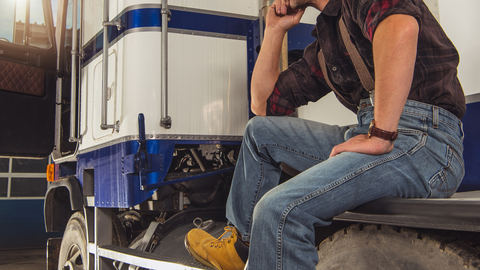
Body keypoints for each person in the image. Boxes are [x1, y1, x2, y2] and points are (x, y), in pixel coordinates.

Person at [185, 0, 466, 269]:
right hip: (375, 129)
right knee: (260, 133)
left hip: (425, 141)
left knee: (278, 210)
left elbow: (400, 28)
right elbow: (263, 105)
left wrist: (380, 134)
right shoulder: (328, 43)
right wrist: (274, 31)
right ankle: (242, 249)